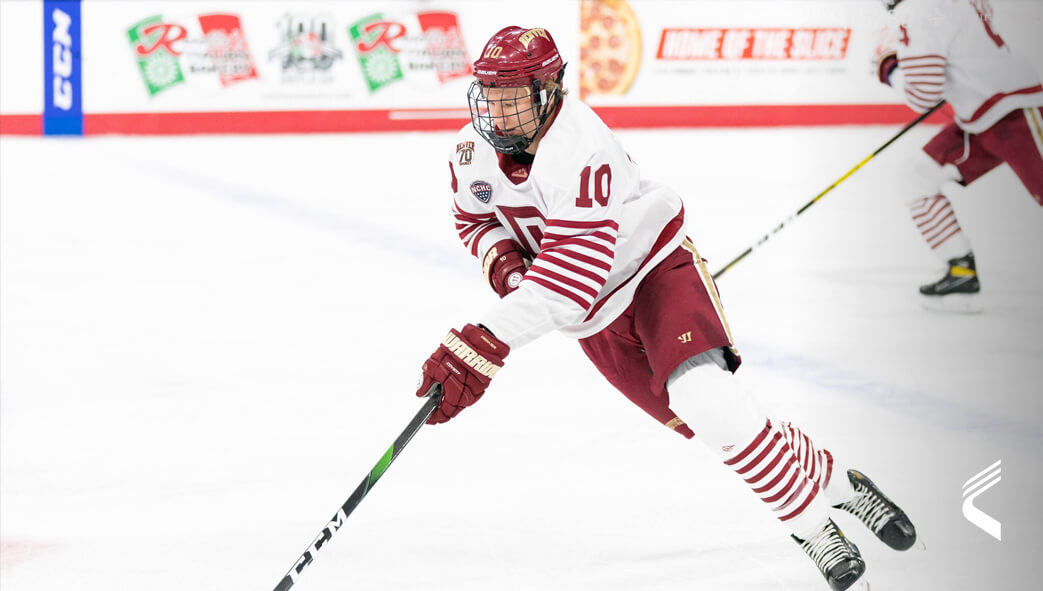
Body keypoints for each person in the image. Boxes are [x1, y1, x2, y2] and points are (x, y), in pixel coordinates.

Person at [416, 26, 916, 590]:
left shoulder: (580, 145)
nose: (499, 116)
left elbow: (569, 282)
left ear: (552, 88)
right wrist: (505, 266)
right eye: (490, 98)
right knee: (720, 424)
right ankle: (840, 485)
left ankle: (813, 529)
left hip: (655, 274)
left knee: (708, 400)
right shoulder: (469, 152)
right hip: (594, 324)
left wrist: (486, 340)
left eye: (513, 99)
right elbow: (474, 221)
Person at [873, 0, 1043, 311]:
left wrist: (890, 68)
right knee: (916, 176)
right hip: (982, 118)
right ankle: (960, 271)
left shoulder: (918, 9)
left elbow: (923, 94)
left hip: (1016, 111)